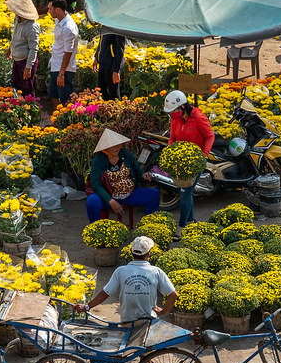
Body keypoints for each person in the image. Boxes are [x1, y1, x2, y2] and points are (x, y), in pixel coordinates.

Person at [74, 235, 177, 323]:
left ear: (131, 251)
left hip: (127, 321)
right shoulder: (156, 271)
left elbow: (105, 293)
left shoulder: (121, 271)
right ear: (148, 254)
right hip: (150, 321)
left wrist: (87, 307)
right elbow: (173, 294)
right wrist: (163, 312)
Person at [163, 90, 215, 236]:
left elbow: (210, 136)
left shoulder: (198, 118)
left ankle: (181, 227)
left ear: (183, 107)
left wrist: (203, 156)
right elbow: (172, 138)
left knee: (185, 192)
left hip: (195, 161)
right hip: (181, 161)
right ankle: (190, 221)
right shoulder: (175, 119)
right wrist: (170, 153)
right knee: (186, 192)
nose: (171, 115)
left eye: (173, 111)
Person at [85, 129, 162, 223]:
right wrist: (110, 201)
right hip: (108, 196)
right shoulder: (99, 160)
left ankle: (148, 226)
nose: (116, 148)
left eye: (118, 145)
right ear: (106, 147)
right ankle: (95, 229)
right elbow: (96, 184)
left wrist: (143, 175)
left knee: (154, 194)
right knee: (91, 201)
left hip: (129, 194)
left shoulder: (126, 154)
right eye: (113, 146)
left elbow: (138, 171)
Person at [5, 0, 40, 97]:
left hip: (26, 61)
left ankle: (29, 109)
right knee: (16, 86)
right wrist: (10, 49)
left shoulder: (31, 27)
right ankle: (18, 107)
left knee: (27, 89)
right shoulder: (18, 20)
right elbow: (15, 35)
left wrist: (28, 67)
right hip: (17, 59)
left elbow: (33, 48)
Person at [47, 0, 79, 105]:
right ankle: (57, 121)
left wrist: (61, 74)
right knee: (53, 95)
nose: (48, 11)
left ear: (58, 9)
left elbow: (68, 53)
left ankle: (67, 122)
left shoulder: (68, 28)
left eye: (50, 9)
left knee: (66, 101)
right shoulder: (59, 20)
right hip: (56, 66)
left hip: (64, 70)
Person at [94, 32, 126, 101]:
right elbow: (101, 42)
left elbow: (120, 49)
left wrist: (116, 70)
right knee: (102, 92)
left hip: (111, 66)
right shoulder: (105, 25)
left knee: (113, 94)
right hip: (103, 64)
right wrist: (97, 57)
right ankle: (104, 111)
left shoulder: (117, 26)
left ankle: (117, 111)